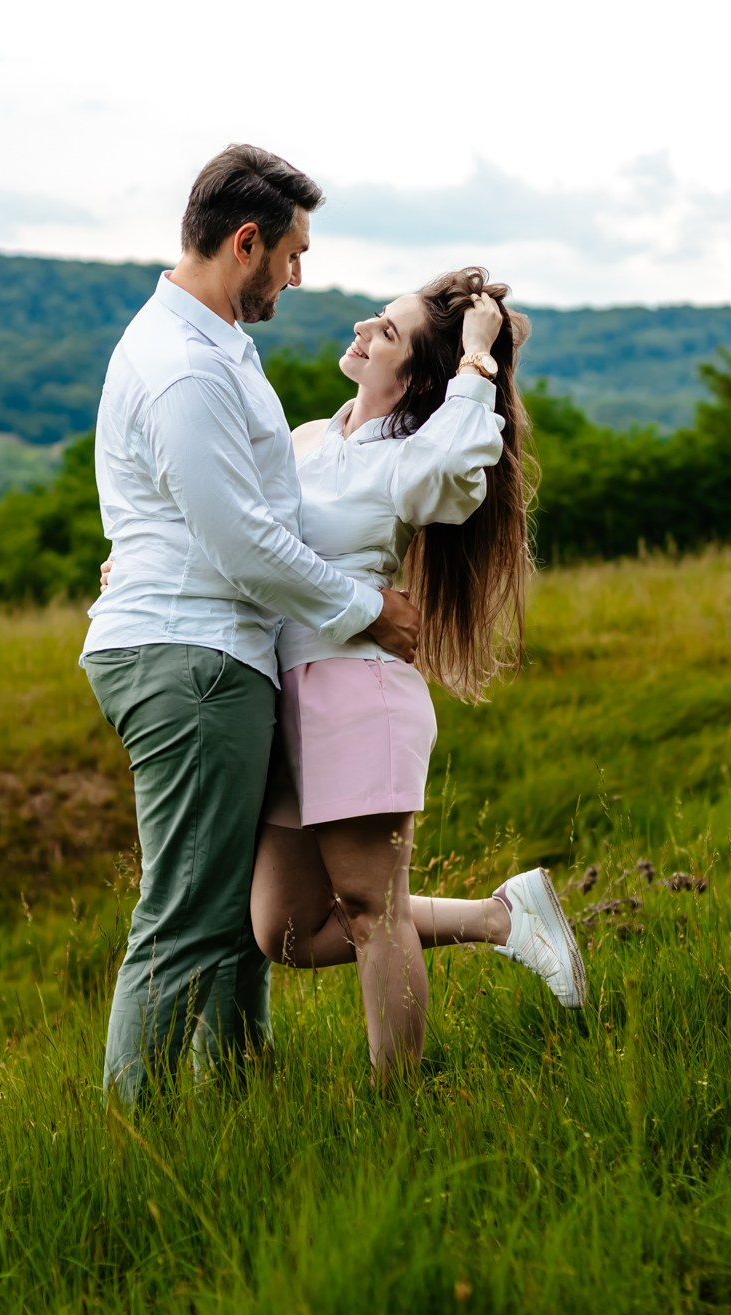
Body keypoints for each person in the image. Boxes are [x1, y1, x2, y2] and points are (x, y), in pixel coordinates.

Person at [80, 144, 422, 1105]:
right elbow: (242, 543)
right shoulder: (185, 366)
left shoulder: (209, 346)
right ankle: (135, 1136)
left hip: (214, 650)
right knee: (187, 915)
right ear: (246, 243)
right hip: (193, 661)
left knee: (232, 916)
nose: (300, 275)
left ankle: (239, 1111)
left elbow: (224, 511)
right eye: (294, 253)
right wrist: (369, 608)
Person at [246, 266, 586, 1075]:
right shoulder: (309, 439)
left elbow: (462, 465)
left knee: (373, 912)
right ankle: (503, 918)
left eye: (387, 333)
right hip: (283, 697)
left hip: (357, 695)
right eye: (378, 318)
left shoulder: (411, 459)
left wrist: (477, 358)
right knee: (285, 928)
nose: (363, 329)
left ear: (413, 381)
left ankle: (394, 1110)